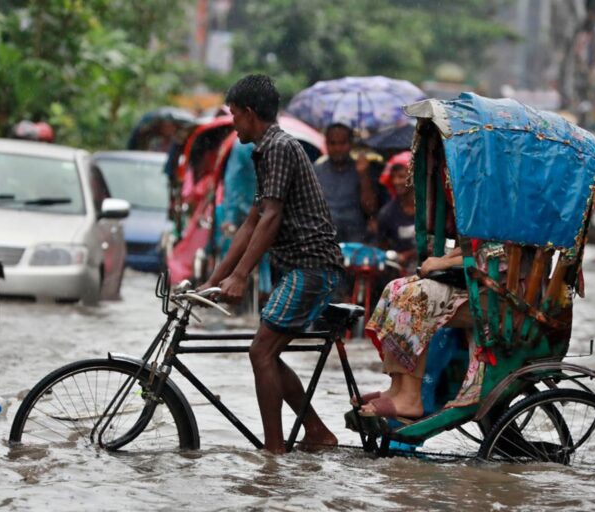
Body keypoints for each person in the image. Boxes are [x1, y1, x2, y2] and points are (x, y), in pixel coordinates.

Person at [199, 75, 344, 454]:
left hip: (312, 265)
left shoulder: (279, 147)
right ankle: (315, 431)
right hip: (298, 266)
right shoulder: (265, 150)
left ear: (248, 113)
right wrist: (213, 280)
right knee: (268, 352)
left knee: (260, 352)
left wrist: (241, 276)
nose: (232, 123)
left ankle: (274, 453)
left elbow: (271, 217)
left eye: (233, 115)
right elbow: (252, 220)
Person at [360, 247, 472, 419]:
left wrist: (445, 262)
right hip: (472, 281)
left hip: (499, 291)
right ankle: (397, 388)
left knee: (416, 298)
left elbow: (493, 253)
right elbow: (474, 245)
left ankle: (410, 399)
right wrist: (446, 258)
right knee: (395, 288)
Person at [314, 123, 378, 243]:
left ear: (351, 144)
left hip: (356, 237)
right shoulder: (317, 170)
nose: (338, 148)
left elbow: (370, 208)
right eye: (333, 143)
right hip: (326, 237)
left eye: (342, 143)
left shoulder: (362, 168)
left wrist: (363, 176)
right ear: (326, 144)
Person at [377, 151, 417, 272]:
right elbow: (382, 249)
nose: (396, 181)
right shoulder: (387, 214)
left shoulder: (430, 209)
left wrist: (412, 254)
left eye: (401, 176)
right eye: (393, 177)